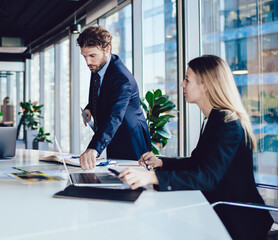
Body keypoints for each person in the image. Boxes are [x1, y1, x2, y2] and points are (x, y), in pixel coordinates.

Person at [118, 55, 273, 239]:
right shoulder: (214, 119)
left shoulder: (228, 124)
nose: (182, 85)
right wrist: (161, 163)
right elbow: (198, 163)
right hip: (216, 208)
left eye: (187, 79)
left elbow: (208, 177)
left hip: (237, 220)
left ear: (205, 85)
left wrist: (152, 177)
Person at [77, 25, 150, 170]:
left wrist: (93, 148)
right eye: (84, 56)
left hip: (131, 140)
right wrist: (89, 107)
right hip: (113, 135)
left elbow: (114, 116)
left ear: (107, 49)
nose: (87, 62)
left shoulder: (122, 79)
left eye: (92, 55)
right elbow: (100, 94)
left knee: (132, 184)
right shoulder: (98, 66)